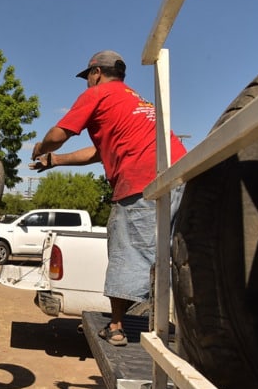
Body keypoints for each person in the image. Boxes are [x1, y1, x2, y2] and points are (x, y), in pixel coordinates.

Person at [30, 50, 186, 347]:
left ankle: (116, 326)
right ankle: (169, 323)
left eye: (87, 77)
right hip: (179, 177)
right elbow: (98, 152)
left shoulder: (99, 94)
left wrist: (41, 147)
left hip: (142, 182)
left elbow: (59, 133)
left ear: (96, 73)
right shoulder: (134, 100)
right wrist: (56, 161)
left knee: (127, 251)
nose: (87, 83)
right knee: (165, 254)